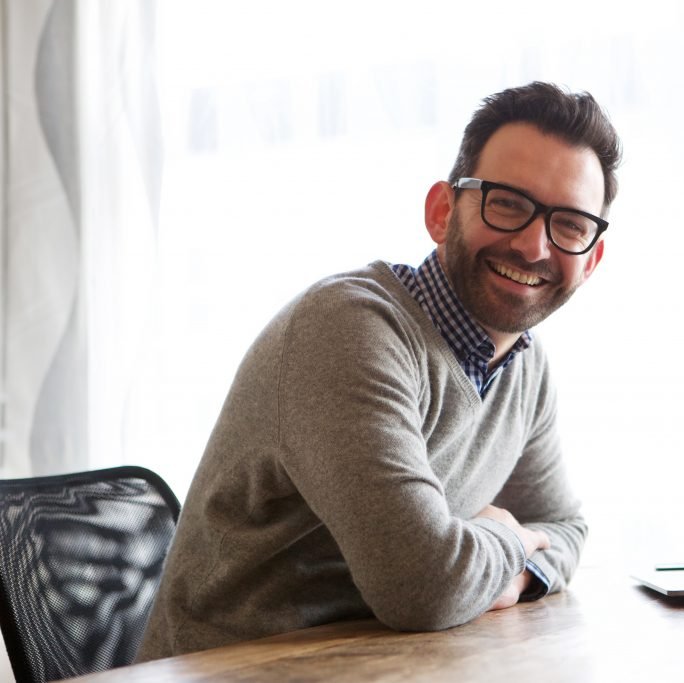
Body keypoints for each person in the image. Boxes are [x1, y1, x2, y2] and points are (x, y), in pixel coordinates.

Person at [136, 81, 622, 659]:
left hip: (387, 665)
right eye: (508, 204)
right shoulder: (348, 329)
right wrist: (511, 540)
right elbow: (422, 587)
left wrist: (506, 563)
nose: (535, 245)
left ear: (590, 259)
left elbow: (565, 527)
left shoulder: (525, 367)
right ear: (443, 212)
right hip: (239, 670)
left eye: (568, 224)